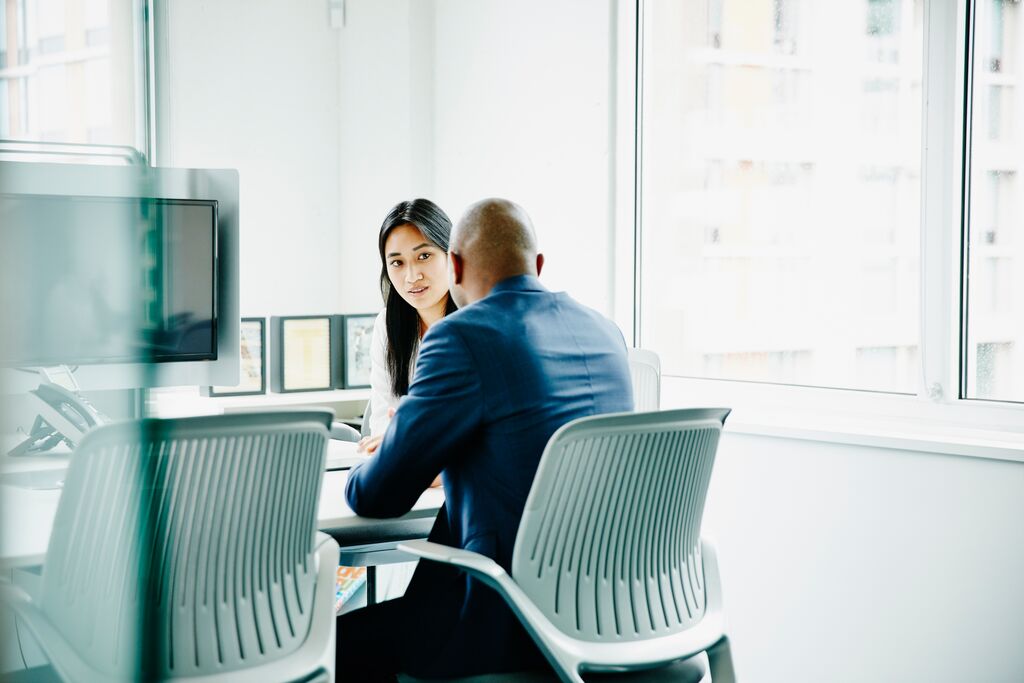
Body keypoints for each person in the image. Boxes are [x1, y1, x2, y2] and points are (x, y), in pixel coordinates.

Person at [337, 198, 634, 680]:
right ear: (538, 265)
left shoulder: (461, 337)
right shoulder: (606, 332)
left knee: (331, 645)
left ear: (453, 266)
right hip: (615, 615)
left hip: (506, 620)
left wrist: (366, 460)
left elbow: (377, 495)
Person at [359, 198, 458, 450]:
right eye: (397, 263)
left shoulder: (477, 324)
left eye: (424, 256)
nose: (412, 277)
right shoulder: (387, 325)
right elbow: (382, 417)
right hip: (406, 460)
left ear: (451, 255)